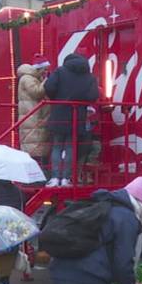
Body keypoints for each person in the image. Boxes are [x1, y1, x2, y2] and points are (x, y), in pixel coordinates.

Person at [43, 52, 99, 187]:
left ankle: (55, 177)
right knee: (70, 147)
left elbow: (48, 87)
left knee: (57, 146)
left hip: (59, 114)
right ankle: (66, 178)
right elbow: (93, 96)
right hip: (77, 116)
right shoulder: (89, 77)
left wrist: (56, 98)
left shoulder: (60, 71)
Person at [16, 56, 50, 164]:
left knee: (36, 145)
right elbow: (37, 92)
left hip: (33, 116)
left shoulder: (33, 78)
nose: (45, 72)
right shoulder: (27, 78)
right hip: (32, 117)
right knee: (34, 147)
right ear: (38, 69)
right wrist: (46, 81)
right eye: (44, 69)